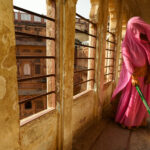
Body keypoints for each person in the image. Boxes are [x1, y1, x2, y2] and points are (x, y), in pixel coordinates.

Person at [111, 17, 150, 129]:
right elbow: (127, 60)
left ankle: (137, 121)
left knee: (141, 101)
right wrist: (133, 75)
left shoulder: (145, 42)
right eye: (135, 30)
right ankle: (127, 122)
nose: (139, 32)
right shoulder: (126, 44)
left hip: (145, 76)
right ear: (131, 30)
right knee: (132, 100)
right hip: (135, 77)